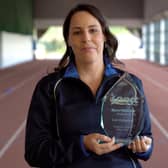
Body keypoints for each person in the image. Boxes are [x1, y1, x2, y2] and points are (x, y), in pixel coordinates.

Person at [25, 3, 153, 168]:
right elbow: (34, 152)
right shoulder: (50, 88)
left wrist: (143, 147)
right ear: (69, 40)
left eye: (93, 30)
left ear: (104, 36)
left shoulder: (132, 84)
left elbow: (146, 139)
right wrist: (82, 144)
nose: (86, 38)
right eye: (77, 32)